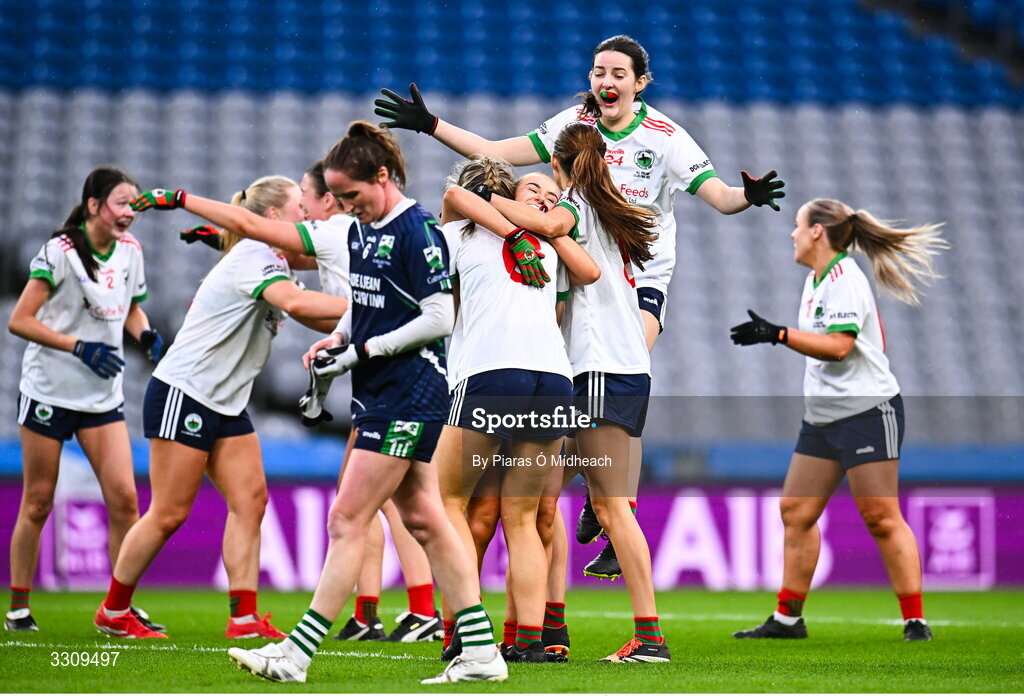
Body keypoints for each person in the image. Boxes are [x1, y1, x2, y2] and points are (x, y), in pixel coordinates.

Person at [375, 34, 786, 579]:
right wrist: (433, 126)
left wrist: (746, 197)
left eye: (618, 73)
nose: (606, 82)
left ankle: (616, 510)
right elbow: (498, 152)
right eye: (598, 72)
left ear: (640, 83)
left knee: (623, 376)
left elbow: (718, 196)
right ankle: (597, 507)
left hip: (639, 283)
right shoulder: (574, 126)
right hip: (575, 276)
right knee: (569, 400)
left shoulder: (666, 137)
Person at [226, 122, 507, 684]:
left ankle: (296, 655)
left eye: (353, 196)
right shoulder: (360, 229)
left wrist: (362, 351)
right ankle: (480, 654)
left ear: (383, 177)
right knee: (426, 519)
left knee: (346, 517)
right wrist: (339, 338)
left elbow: (438, 317)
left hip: (411, 391)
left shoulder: (419, 229)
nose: (346, 208)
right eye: (339, 199)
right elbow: (366, 299)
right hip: (381, 391)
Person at [178, 161, 443, 643]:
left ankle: (416, 611)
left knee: (381, 504)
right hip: (379, 375)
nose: (302, 206)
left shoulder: (341, 228)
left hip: (396, 377)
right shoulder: (344, 235)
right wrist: (224, 240)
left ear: (326, 201)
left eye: (306, 196)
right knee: (387, 502)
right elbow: (293, 256)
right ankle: (382, 613)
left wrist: (193, 206)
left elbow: (279, 251)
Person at [92, 175, 347, 640]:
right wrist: (372, 308)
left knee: (251, 502)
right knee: (169, 513)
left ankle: (244, 619)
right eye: (298, 210)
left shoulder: (272, 257)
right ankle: (113, 609)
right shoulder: (255, 255)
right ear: (272, 217)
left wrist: (369, 296)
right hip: (184, 392)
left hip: (226, 402)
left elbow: (320, 276)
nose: (306, 219)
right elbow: (297, 303)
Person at [475, 122, 669, 663]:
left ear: (560, 167)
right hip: (623, 368)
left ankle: (650, 637)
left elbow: (546, 222)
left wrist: (483, 197)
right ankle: (547, 630)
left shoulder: (580, 205)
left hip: (598, 369)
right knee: (540, 500)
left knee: (610, 508)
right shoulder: (613, 211)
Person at [729, 198, 947, 642]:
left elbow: (840, 347)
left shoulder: (846, 278)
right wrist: (780, 335)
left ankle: (915, 621)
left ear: (816, 232)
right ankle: (788, 619)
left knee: (880, 515)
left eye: (796, 225)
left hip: (867, 411)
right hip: (823, 416)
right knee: (796, 511)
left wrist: (779, 334)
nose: (791, 233)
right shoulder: (815, 279)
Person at [435, 156, 599, 663]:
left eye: (553, 197)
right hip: (552, 380)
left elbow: (450, 197)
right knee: (522, 517)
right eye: (537, 192)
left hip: (490, 372)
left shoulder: (459, 233)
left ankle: (465, 631)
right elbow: (585, 276)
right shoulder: (549, 247)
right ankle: (530, 639)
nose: (546, 201)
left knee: (449, 505)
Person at [6, 166, 164, 633]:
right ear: (93, 206)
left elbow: (133, 306)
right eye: (121, 202)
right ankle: (18, 608)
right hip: (49, 391)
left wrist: (146, 334)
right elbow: (20, 319)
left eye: (134, 204)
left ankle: (118, 608)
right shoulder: (60, 252)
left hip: (101, 397)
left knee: (125, 502)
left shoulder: (131, 251)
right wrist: (79, 347)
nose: (129, 213)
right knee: (37, 502)